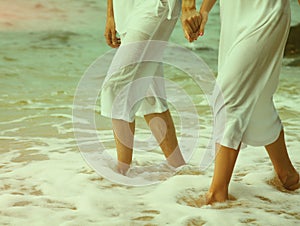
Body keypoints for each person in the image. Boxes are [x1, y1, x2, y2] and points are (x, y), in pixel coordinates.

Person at [182, 0, 300, 204]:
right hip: (234, 17)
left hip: (267, 13)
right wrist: (204, 10)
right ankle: (289, 176)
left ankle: (217, 195)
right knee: (258, 102)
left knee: (228, 99)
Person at [103, 0, 200, 174]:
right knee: (150, 95)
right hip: (124, 8)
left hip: (156, 5)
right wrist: (110, 15)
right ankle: (180, 169)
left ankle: (121, 173)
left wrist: (189, 7)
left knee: (115, 87)